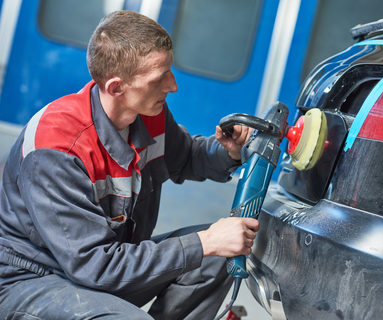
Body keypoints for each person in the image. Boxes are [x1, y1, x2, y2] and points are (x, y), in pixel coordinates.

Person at [0, 10, 259, 320]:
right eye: (159, 78)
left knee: (217, 256)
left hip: (106, 265)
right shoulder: (56, 150)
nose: (173, 85)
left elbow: (187, 156)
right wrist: (205, 241)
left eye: (169, 71)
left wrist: (227, 152)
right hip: (36, 279)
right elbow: (95, 266)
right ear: (116, 88)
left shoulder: (147, 115)